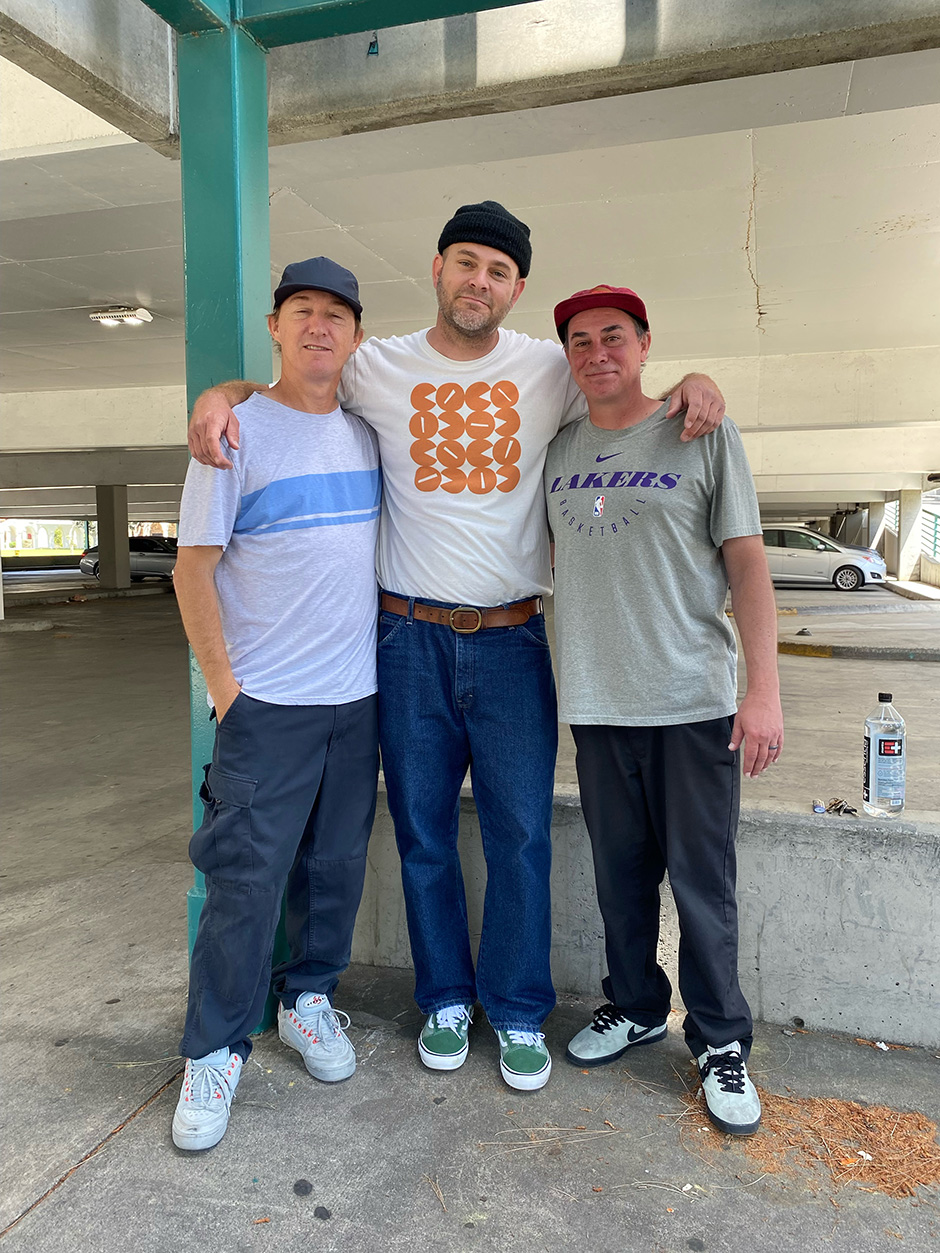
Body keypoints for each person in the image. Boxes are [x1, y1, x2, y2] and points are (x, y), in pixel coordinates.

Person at [187, 201, 727, 1092]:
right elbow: (297, 379)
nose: (481, 281)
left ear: (517, 289)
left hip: (515, 641)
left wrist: (698, 379)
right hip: (405, 639)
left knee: (518, 834)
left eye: (500, 271)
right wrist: (222, 393)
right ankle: (444, 996)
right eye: (467, 262)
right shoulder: (378, 365)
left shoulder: (550, 367)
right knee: (424, 833)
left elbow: (627, 388)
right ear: (437, 269)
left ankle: (516, 1008)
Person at [544, 284, 783, 1135]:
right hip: (601, 705)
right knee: (620, 876)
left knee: (702, 882)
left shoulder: (701, 431)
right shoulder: (559, 447)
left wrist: (764, 691)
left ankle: (719, 1040)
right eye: (580, 340)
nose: (597, 351)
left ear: (645, 345)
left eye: (614, 336)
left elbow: (748, 565)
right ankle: (638, 1005)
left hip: (691, 701)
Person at [171, 257, 381, 1150]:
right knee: (245, 883)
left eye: (336, 315)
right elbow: (193, 567)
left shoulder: (369, 436)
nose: (319, 327)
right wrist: (227, 693)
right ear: (276, 327)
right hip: (268, 710)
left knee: (334, 868)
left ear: (356, 337)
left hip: (357, 699)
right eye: (302, 311)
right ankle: (215, 1050)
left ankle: (308, 998)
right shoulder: (234, 434)